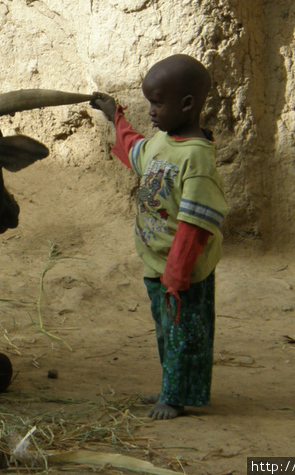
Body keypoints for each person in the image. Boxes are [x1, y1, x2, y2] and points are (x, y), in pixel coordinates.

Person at [90, 54, 228, 420]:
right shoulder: (165, 139)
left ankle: (176, 397)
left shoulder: (197, 158)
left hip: (181, 274)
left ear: (187, 104)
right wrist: (114, 115)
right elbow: (137, 150)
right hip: (158, 265)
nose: (151, 111)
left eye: (157, 103)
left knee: (184, 336)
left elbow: (195, 223)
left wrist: (177, 274)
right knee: (167, 332)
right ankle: (173, 387)